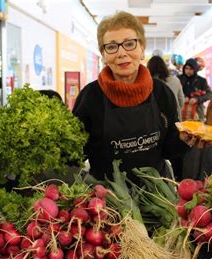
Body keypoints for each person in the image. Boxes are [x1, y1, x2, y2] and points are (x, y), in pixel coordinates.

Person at [72, 11, 204, 182]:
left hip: (156, 195)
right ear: (103, 55)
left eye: (129, 44)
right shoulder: (90, 96)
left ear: (142, 48)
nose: (121, 53)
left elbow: (168, 150)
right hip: (106, 200)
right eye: (111, 47)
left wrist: (186, 141)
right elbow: (76, 155)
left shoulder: (161, 92)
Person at [147, 55, 184, 119]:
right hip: (175, 117)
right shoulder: (175, 80)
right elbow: (181, 100)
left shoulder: (148, 83)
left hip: (155, 120)